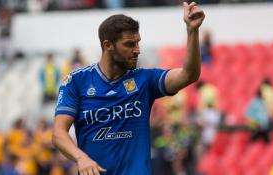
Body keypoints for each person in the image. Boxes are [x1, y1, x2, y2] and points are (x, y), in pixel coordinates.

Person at [52, 2, 205, 175]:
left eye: (138, 43)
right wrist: (81, 158)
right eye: (130, 44)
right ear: (108, 45)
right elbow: (58, 134)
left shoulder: (145, 80)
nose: (137, 50)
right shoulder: (76, 81)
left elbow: (188, 75)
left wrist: (192, 31)